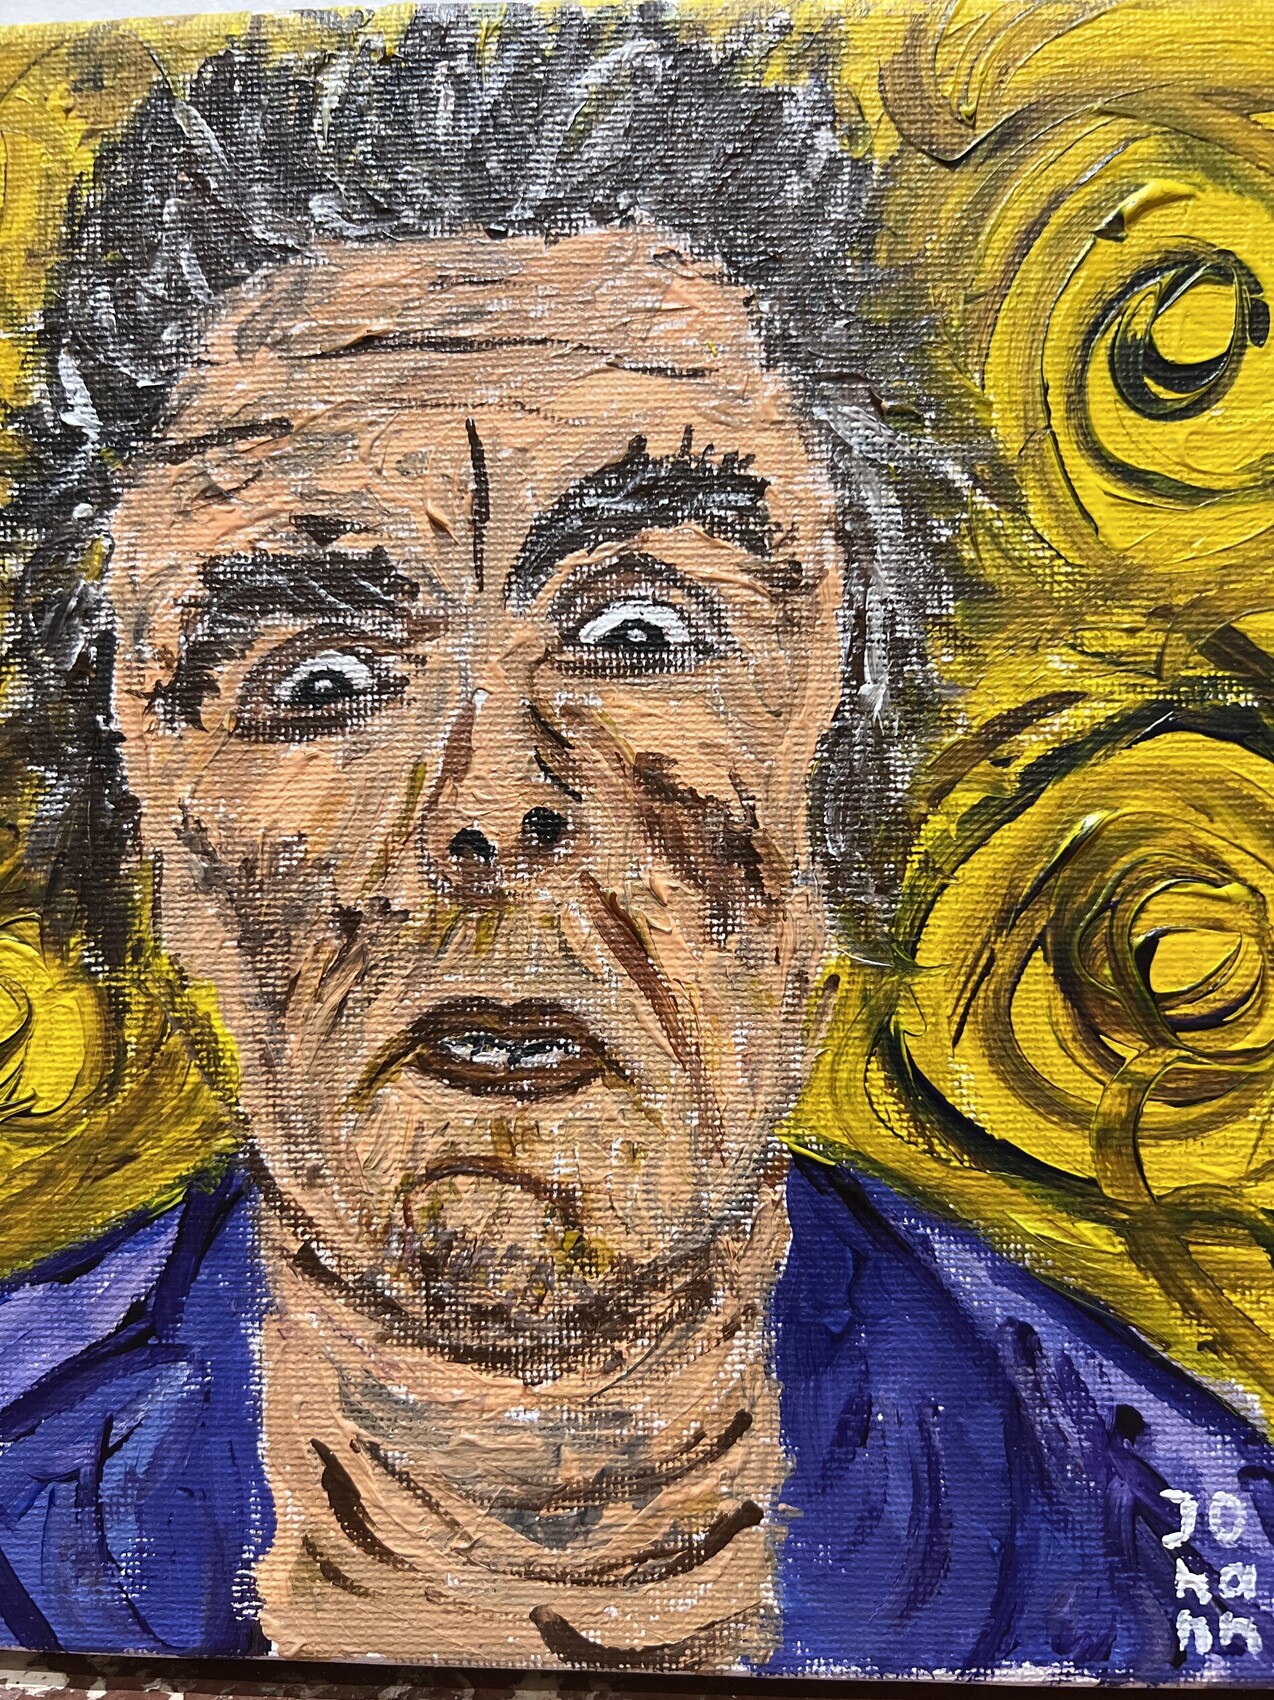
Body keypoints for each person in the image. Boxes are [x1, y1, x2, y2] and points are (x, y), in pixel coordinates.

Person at [1, 4, 1273, 1679]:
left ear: (843, 772)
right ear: (146, 834)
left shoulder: (1183, 1564)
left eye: (642, 634)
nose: (486, 802)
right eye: (318, 678)